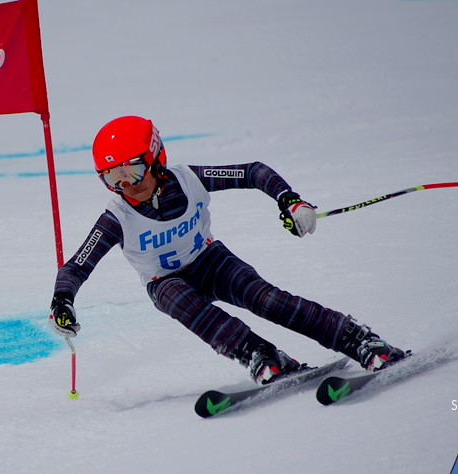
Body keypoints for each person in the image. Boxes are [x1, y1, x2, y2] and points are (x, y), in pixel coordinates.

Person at [49, 115, 406, 385]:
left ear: (156, 158)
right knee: (180, 301)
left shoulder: (189, 179)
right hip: (164, 280)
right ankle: (260, 356)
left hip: (210, 260)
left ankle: (359, 341)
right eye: (113, 177)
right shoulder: (117, 216)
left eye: (133, 170)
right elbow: (78, 265)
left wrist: (290, 201)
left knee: (266, 300)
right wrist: (62, 301)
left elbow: (252, 172)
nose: (127, 184)